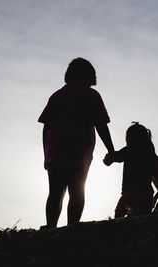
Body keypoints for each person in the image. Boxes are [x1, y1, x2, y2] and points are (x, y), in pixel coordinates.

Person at [38, 57, 114, 228]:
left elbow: (46, 128)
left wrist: (46, 155)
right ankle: (72, 228)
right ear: (90, 76)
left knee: (55, 192)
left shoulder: (57, 96)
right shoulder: (92, 95)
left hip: (56, 151)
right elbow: (101, 124)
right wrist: (111, 149)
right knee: (77, 191)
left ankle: (51, 227)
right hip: (80, 151)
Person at [103, 122, 155, 218]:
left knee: (119, 215)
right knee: (141, 218)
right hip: (147, 195)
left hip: (131, 193)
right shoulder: (149, 150)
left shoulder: (131, 149)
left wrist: (109, 158)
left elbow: (117, 156)